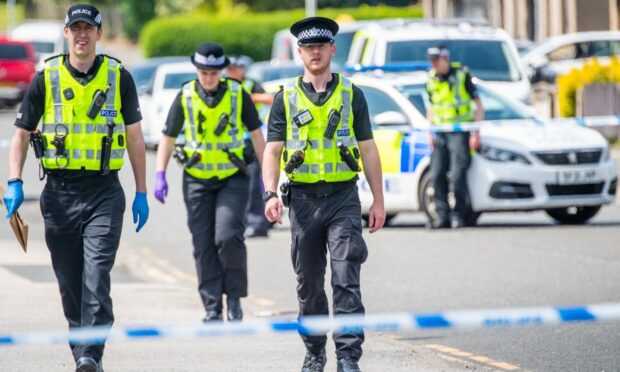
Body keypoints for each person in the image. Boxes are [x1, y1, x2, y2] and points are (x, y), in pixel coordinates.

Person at [3, 4, 148, 371]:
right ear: (66, 33)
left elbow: (134, 137)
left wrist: (143, 191)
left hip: (104, 192)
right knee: (70, 282)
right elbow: (20, 134)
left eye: (89, 28)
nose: (82, 34)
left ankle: (90, 355)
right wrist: (14, 181)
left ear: (99, 34)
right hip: (60, 193)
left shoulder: (119, 77)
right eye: (75, 28)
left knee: (96, 276)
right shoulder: (46, 77)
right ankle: (81, 351)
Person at [262, 17, 385, 372]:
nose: (315, 52)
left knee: (346, 278)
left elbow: (368, 148)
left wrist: (378, 199)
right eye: (308, 47)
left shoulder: (351, 94)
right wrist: (270, 194)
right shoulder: (284, 98)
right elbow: (272, 150)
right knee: (310, 284)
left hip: (343, 198)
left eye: (322, 46)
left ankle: (348, 358)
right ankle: (315, 352)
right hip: (301, 201)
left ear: (332, 49)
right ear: (298, 52)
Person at [154, 42, 266, 323]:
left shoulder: (238, 94)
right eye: (204, 72)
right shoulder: (186, 95)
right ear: (197, 70)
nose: (208, 77)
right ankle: (212, 307)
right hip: (197, 181)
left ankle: (235, 299)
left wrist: (268, 178)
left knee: (228, 238)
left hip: (232, 178)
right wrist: (160, 174)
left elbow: (257, 135)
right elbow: (168, 136)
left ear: (222, 71)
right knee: (203, 244)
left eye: (214, 72)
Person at [425, 45, 484, 229]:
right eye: (432, 60)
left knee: (458, 176)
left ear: (446, 58)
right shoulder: (430, 79)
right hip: (441, 133)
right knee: (436, 175)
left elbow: (479, 106)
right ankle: (442, 217)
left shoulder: (462, 75)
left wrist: (475, 132)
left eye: (437, 60)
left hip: (460, 132)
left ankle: (459, 215)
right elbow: (431, 107)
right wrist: (430, 132)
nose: (434, 63)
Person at [227, 55, 273, 238]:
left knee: (254, 182)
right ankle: (242, 221)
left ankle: (258, 223)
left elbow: (269, 99)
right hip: (231, 142)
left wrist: (251, 98)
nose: (233, 72)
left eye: (236, 68)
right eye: (230, 69)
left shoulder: (250, 84)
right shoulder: (224, 86)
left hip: (251, 140)